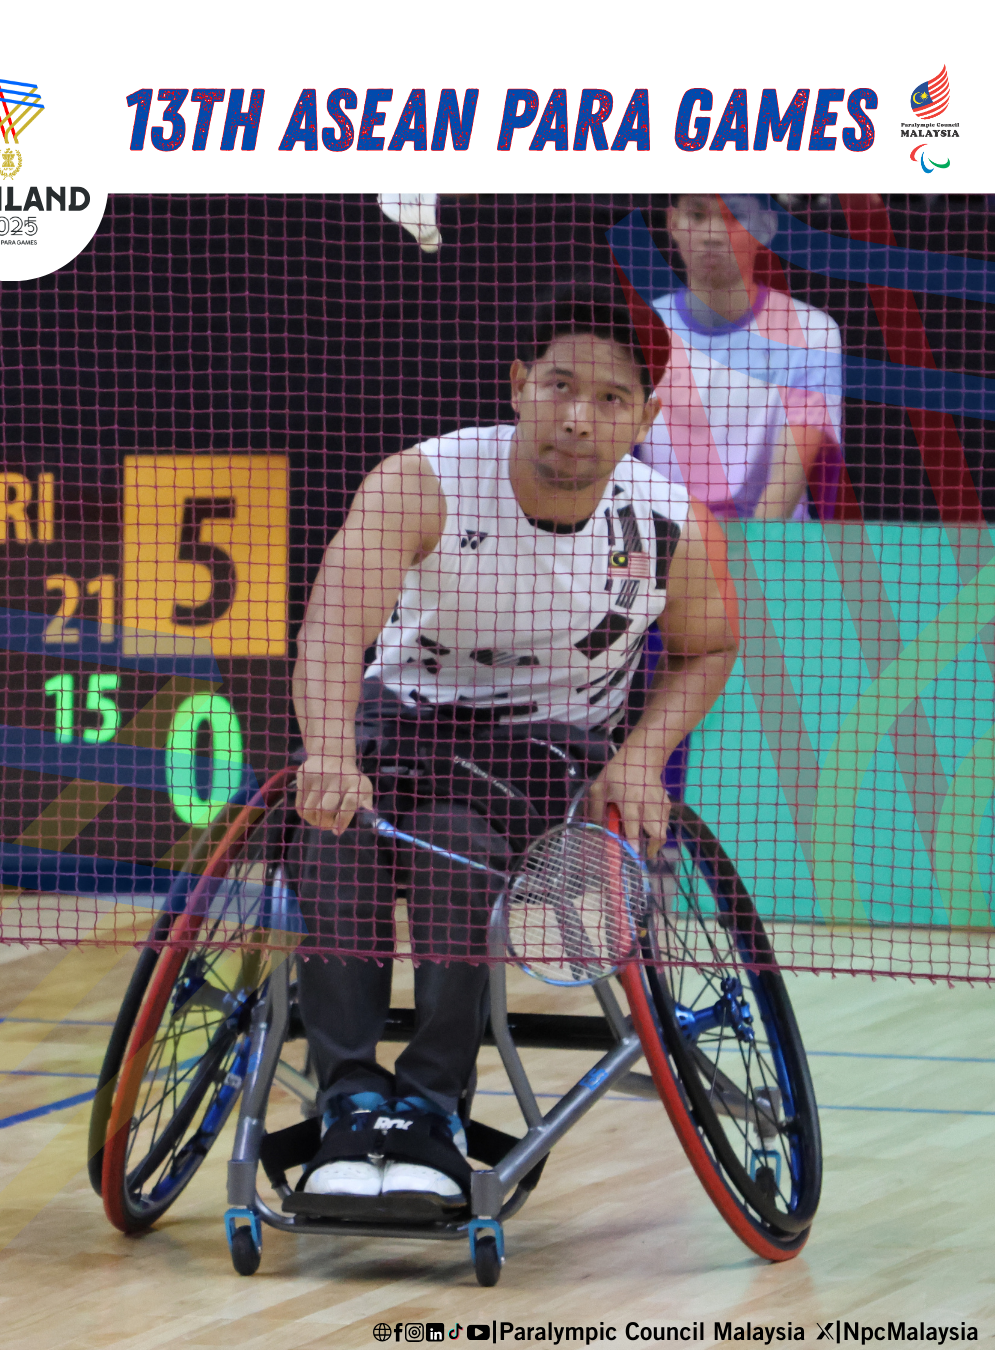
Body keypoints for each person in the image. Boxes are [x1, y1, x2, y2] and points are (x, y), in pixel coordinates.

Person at [285, 282, 738, 1218]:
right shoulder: (421, 482)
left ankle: (431, 1108)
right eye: (560, 386)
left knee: (455, 843)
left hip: (548, 748)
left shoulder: (670, 525)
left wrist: (640, 757)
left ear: (646, 417)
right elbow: (331, 631)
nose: (578, 418)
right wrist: (329, 749)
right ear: (519, 384)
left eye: (610, 398)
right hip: (404, 723)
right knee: (332, 833)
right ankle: (350, 1105)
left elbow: (709, 647)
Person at [637, 194, 843, 522]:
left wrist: (751, 549)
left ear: (766, 226)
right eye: (697, 215)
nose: (713, 234)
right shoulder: (638, 329)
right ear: (673, 223)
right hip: (662, 538)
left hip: (770, 544)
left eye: (734, 217)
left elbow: (789, 478)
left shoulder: (812, 333)